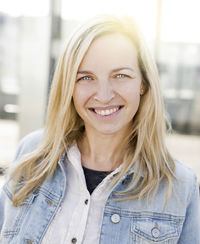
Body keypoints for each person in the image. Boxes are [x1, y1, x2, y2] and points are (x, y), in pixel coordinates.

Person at [0, 15, 199, 244]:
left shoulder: (179, 187)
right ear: (69, 87)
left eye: (120, 75)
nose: (104, 95)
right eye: (86, 78)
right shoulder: (31, 153)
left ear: (143, 83)